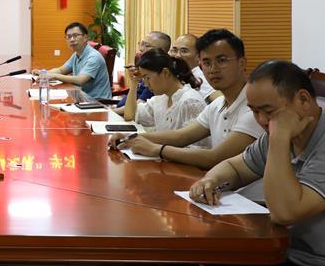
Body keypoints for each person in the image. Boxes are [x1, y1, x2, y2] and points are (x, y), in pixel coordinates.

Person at [161, 60, 325, 266]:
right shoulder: (281, 133)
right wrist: (211, 180)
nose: (262, 120)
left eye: (268, 111)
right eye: (254, 111)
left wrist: (279, 137)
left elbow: (285, 213)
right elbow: (236, 167)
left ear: (303, 100)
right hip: (292, 256)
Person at [112, 29, 263, 169]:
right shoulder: (217, 105)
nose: (213, 69)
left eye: (222, 60)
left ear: (242, 63)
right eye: (207, 63)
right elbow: (181, 136)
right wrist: (130, 137)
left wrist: (157, 150)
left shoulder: (256, 109)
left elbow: (215, 157)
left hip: (239, 190)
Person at [118, 48, 208, 144]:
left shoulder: (190, 101)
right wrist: (134, 83)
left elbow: (197, 147)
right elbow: (130, 116)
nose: (146, 84)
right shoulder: (161, 98)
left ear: (165, 73)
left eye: (147, 78)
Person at [31, 22, 111, 100]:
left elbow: (80, 80)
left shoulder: (93, 57)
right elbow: (61, 70)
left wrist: (54, 76)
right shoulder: (77, 54)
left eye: (75, 36)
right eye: (68, 36)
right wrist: (44, 73)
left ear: (85, 37)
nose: (72, 39)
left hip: (97, 101)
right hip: (81, 96)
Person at [117, 30, 172, 106]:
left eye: (147, 46)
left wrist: (112, 111)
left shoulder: (157, 73)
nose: (141, 49)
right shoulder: (145, 68)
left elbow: (139, 107)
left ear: (161, 51)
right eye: (141, 44)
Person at [169, 33, 216, 101]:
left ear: (198, 56)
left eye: (184, 51)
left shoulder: (200, 78)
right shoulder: (176, 75)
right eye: (174, 50)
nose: (177, 55)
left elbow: (220, 101)